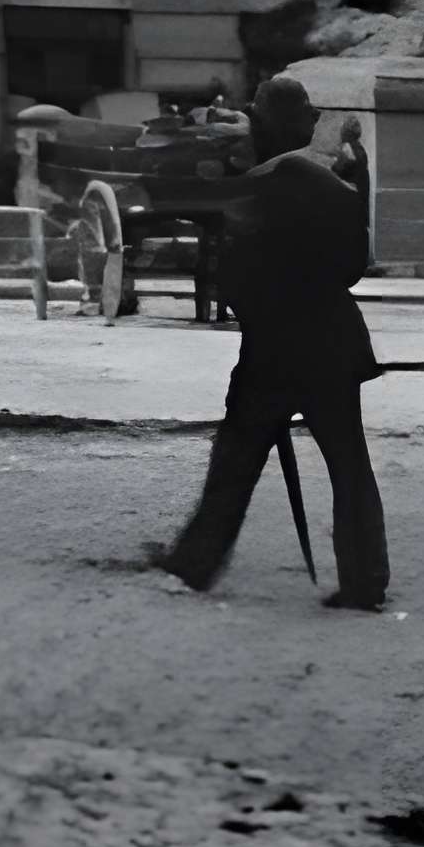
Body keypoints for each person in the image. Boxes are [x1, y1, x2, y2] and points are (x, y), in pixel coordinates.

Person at [156, 76, 389, 610]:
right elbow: (353, 267)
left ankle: (194, 564)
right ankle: (365, 580)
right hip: (332, 344)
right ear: (305, 125)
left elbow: (230, 278)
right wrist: (362, 184)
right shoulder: (334, 187)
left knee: (236, 460)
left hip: (272, 351)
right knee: (349, 465)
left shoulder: (253, 188)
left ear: (263, 125)